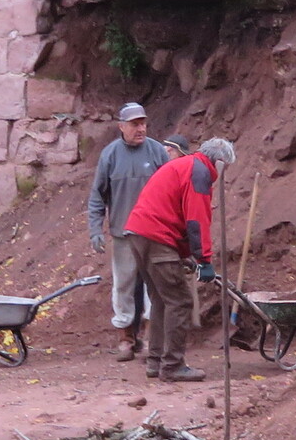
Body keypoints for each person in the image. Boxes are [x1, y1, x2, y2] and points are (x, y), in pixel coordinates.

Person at [122, 135, 235, 382]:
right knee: (180, 301)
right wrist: (204, 260)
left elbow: (175, 212)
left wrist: (185, 255)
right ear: (219, 162)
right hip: (156, 235)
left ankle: (156, 362)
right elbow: (196, 220)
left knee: (162, 299)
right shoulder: (199, 172)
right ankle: (172, 365)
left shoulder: (184, 166)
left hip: (139, 233)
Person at [87, 103, 175, 361]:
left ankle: (149, 337)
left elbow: (172, 190)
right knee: (123, 284)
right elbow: (98, 195)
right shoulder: (110, 155)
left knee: (153, 285)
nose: (141, 129)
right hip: (123, 232)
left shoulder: (157, 151)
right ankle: (126, 338)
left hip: (153, 233)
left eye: (143, 123)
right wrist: (95, 229)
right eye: (135, 124)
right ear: (121, 127)